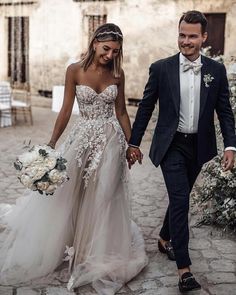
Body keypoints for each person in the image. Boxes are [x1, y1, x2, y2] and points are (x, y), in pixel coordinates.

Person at [0, 23, 148, 294]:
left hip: (110, 142)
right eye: (106, 49)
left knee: (104, 195)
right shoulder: (74, 70)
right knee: (74, 192)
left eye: (115, 51)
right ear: (94, 43)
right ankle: (72, 244)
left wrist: (132, 144)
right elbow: (66, 110)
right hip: (81, 140)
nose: (110, 55)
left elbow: (122, 112)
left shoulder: (118, 73)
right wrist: (52, 144)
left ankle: (95, 250)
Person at [126, 10, 236, 293]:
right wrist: (134, 143)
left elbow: (224, 111)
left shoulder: (216, 70)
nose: (186, 41)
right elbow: (146, 107)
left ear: (204, 37)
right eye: (182, 35)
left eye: (192, 36)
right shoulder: (161, 68)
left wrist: (230, 145)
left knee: (181, 196)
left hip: (199, 146)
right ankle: (184, 269)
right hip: (171, 144)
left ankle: (164, 238)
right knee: (180, 199)